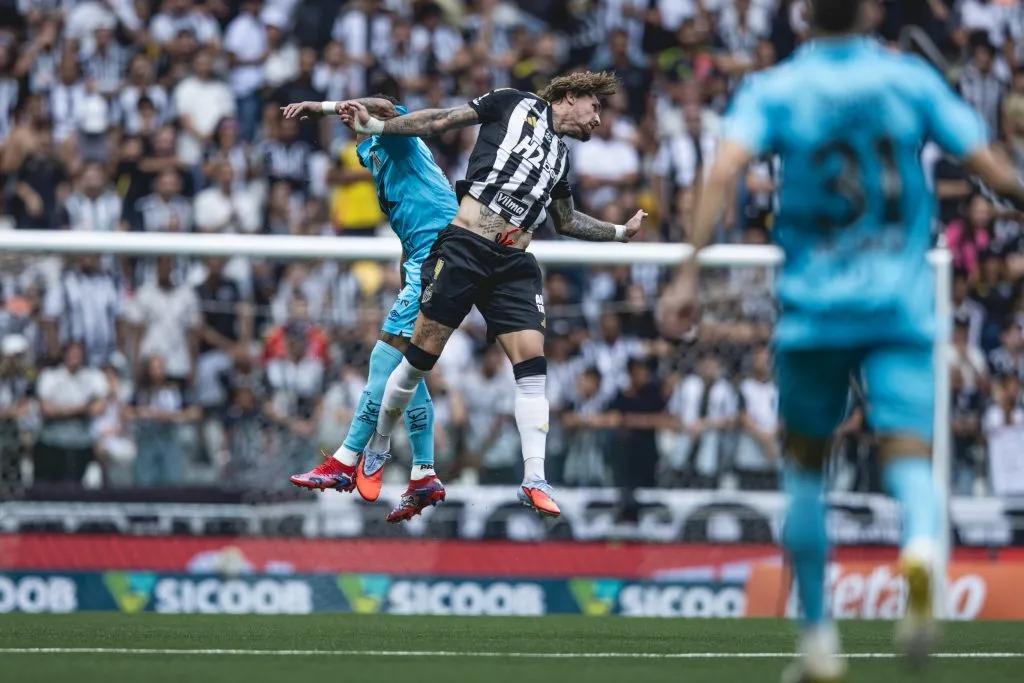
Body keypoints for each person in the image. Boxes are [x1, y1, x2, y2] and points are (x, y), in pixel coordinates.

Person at [658, 0, 1024, 680]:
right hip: (901, 306)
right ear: (872, 11)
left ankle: (819, 642)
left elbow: (723, 171)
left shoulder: (776, 87)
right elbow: (995, 173)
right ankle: (921, 552)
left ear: (803, 16)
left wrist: (687, 272)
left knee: (805, 466)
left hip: (814, 310)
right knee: (909, 453)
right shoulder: (910, 79)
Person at [337, 72, 647, 518]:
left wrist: (619, 232)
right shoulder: (512, 103)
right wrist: (379, 127)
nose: (598, 120)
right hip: (465, 247)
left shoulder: (560, 157)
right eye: (595, 107)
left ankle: (535, 479)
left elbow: (566, 221)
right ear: (570, 96)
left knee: (533, 366)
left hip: (512, 263)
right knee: (418, 361)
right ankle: (379, 446)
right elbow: (442, 120)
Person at [282, 93, 457, 523]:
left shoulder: (398, 136)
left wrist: (322, 106)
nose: (352, 120)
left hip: (441, 256)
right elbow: (408, 224)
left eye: (357, 114)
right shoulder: (373, 155)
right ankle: (423, 471)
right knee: (408, 367)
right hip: (428, 258)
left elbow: (385, 107)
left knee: (384, 358)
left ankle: (347, 459)